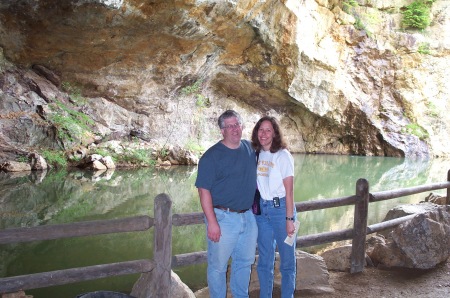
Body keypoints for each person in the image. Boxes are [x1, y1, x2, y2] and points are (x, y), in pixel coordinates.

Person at [195, 109, 258, 298]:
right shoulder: (211, 157)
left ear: (242, 126)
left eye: (237, 124)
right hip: (223, 218)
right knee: (218, 268)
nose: (234, 129)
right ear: (222, 131)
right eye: (229, 126)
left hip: (248, 217)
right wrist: (212, 221)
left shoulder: (249, 149)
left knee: (244, 263)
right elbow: (203, 190)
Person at [251, 116, 296, 298]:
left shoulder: (283, 155)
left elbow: (290, 191)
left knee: (287, 262)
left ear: (275, 133)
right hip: (262, 212)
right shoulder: (256, 154)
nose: (264, 134)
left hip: (282, 210)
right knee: (265, 261)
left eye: (268, 130)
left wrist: (290, 219)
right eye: (261, 130)